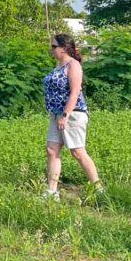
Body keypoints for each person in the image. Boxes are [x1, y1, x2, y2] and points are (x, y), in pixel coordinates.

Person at [42, 33, 102, 200]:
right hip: (56, 114)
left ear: (63, 48)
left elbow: (75, 92)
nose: (51, 50)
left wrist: (65, 115)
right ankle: (51, 191)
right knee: (51, 151)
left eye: (54, 46)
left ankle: (98, 187)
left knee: (77, 151)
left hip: (72, 114)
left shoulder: (73, 65)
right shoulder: (58, 66)